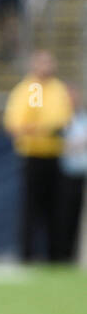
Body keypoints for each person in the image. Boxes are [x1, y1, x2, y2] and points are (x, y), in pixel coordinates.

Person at [2, 51, 73, 262]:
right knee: (33, 209)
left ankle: (56, 256)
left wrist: (56, 128)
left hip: (56, 154)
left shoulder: (58, 88)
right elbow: (29, 120)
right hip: (35, 154)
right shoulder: (35, 89)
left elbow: (64, 118)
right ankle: (28, 255)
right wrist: (45, 129)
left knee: (57, 209)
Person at [56, 90, 86, 264]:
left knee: (77, 219)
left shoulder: (83, 119)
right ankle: (62, 255)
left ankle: (75, 257)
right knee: (64, 216)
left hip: (82, 173)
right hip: (65, 173)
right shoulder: (61, 120)